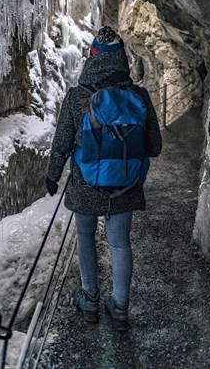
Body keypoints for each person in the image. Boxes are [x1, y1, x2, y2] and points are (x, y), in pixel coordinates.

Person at [45, 26, 162, 331]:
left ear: (91, 58)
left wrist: (52, 177)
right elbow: (155, 147)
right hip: (125, 184)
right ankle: (120, 307)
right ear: (123, 57)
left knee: (85, 237)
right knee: (120, 244)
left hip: (85, 184)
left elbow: (61, 144)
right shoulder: (140, 95)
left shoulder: (77, 98)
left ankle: (89, 298)